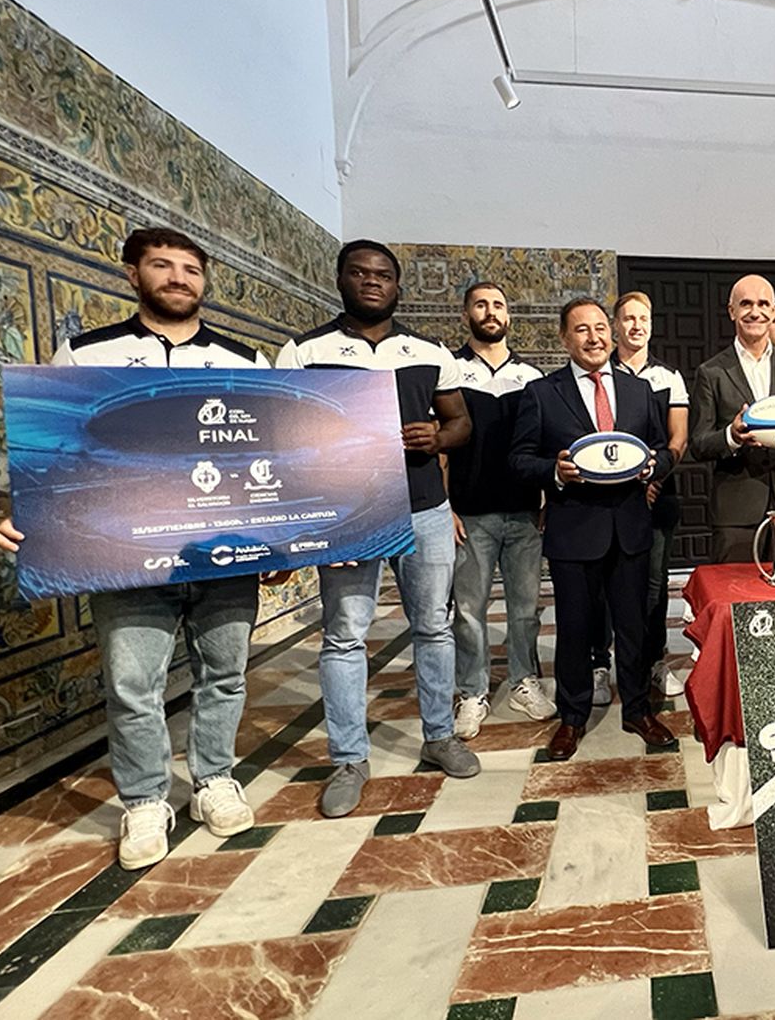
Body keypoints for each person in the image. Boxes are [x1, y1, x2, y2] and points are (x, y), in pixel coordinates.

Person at [0, 228, 264, 869]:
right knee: (133, 683)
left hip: (223, 550)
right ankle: (144, 800)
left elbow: (266, 455)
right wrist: (22, 511)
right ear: (132, 275)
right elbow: (50, 446)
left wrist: (278, 545)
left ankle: (213, 778)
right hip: (126, 553)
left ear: (204, 281)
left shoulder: (244, 359)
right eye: (162, 265)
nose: (178, 278)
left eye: (191, 268)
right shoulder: (86, 355)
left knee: (225, 674)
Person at [277, 239, 480, 817]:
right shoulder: (305, 351)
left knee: (434, 626)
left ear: (397, 286)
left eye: (384, 275)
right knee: (345, 634)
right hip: (349, 513)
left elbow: (461, 423)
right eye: (360, 273)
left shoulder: (427, 350)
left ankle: (439, 735)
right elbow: (283, 433)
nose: (372, 282)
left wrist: (437, 438)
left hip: (424, 506)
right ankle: (349, 758)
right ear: (341, 279)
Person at [510, 297, 676, 760]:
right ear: (565, 338)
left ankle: (638, 710)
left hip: (629, 528)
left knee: (634, 627)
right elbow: (519, 459)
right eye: (582, 329)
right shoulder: (543, 393)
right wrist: (554, 471)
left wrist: (653, 466)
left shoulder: (640, 391)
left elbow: (663, 449)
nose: (595, 337)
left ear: (612, 333)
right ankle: (572, 717)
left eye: (601, 328)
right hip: (573, 530)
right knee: (575, 629)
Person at [446, 281, 552, 733]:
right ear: (466, 314)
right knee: (469, 610)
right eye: (480, 305)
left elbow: (544, 444)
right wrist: (445, 506)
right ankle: (472, 691)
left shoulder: (531, 377)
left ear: (509, 316)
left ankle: (524, 680)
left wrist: (547, 498)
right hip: (469, 513)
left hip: (524, 511)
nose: (490, 312)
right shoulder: (449, 371)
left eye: (498, 305)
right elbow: (441, 447)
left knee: (525, 608)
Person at [688, 275, 775, 563]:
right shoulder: (711, 372)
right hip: (736, 512)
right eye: (746, 304)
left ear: (773, 310)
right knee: (735, 589)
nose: (755, 312)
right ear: (732, 311)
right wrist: (732, 436)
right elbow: (698, 443)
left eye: (763, 304)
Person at [612, 291, 689, 696]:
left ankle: (654, 659)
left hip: (658, 496)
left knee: (654, 585)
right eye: (628, 318)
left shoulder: (668, 377)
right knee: (606, 583)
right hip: (608, 498)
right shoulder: (601, 373)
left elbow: (678, 438)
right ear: (616, 326)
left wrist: (655, 476)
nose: (637, 325)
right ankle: (600, 661)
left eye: (643, 318)